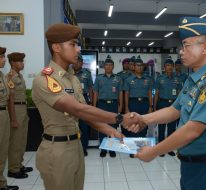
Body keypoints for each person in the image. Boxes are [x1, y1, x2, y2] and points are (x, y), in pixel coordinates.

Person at [127, 17, 206, 190]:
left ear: (205, 48)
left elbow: (193, 129)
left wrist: (154, 151)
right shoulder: (194, 79)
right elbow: (174, 110)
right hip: (190, 165)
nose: (181, 51)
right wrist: (143, 118)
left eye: (186, 45)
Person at [32, 23, 136, 190]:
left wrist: (112, 131)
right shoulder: (45, 80)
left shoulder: (72, 78)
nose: (78, 49)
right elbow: (78, 109)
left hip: (75, 146)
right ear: (57, 47)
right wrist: (119, 118)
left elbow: (85, 115)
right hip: (56, 150)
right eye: (73, 44)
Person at [6, 52, 33, 179]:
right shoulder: (10, 77)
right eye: (19, 61)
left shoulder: (19, 76)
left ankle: (19, 164)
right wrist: (13, 119)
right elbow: (10, 100)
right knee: (15, 141)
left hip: (22, 108)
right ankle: (13, 169)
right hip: (15, 109)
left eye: (23, 61)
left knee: (22, 140)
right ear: (12, 63)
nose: (22, 63)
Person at [93, 55, 123, 157]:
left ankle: (112, 149)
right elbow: (95, 92)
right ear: (104, 66)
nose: (109, 67)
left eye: (110, 65)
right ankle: (103, 148)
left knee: (113, 127)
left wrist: (120, 105)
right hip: (101, 104)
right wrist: (94, 106)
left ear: (113, 66)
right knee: (102, 127)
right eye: (107, 65)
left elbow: (120, 93)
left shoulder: (118, 79)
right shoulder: (99, 78)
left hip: (113, 104)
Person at [124, 55, 153, 158]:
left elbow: (150, 93)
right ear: (134, 67)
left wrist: (150, 106)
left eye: (141, 65)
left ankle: (141, 149)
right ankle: (132, 150)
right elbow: (126, 94)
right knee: (133, 126)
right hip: (133, 103)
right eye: (137, 65)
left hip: (144, 104)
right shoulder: (128, 79)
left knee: (143, 126)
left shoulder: (148, 79)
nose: (139, 67)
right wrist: (127, 108)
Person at [154, 57, 181, 157]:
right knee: (161, 126)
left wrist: (179, 106)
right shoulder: (160, 79)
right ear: (164, 67)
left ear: (173, 67)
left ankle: (169, 148)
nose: (169, 67)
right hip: (162, 103)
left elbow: (179, 94)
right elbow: (156, 93)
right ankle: (160, 148)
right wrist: (154, 106)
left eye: (171, 66)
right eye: (167, 65)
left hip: (173, 105)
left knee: (171, 127)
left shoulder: (177, 79)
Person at [0, 47, 19, 190]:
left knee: (3, 149)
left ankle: (1, 182)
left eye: (4, 57)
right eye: (1, 57)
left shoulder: (1, 76)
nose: (4, 60)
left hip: (4, 114)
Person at [72, 55, 93, 156]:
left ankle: (84, 147)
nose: (76, 63)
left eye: (78, 62)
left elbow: (90, 88)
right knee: (72, 125)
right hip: (70, 100)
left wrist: (92, 102)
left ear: (81, 63)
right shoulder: (68, 73)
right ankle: (74, 148)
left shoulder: (87, 74)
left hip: (84, 100)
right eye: (75, 61)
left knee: (84, 126)